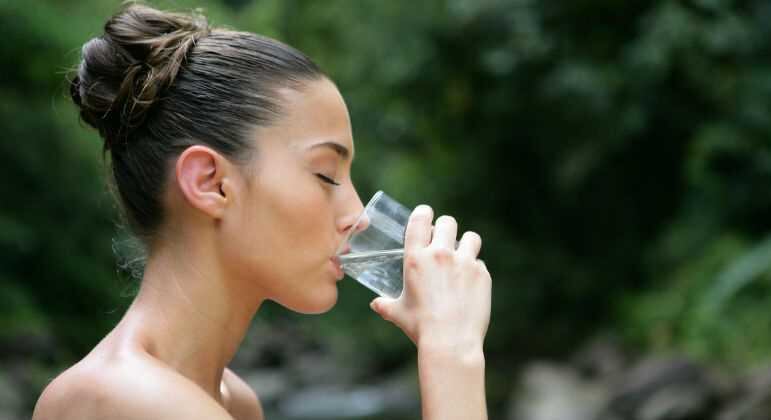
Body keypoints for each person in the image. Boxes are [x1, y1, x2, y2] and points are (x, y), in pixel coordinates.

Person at [33, 3, 492, 420]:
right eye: (326, 175)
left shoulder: (233, 400)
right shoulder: (123, 399)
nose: (358, 215)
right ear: (210, 183)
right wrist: (452, 353)